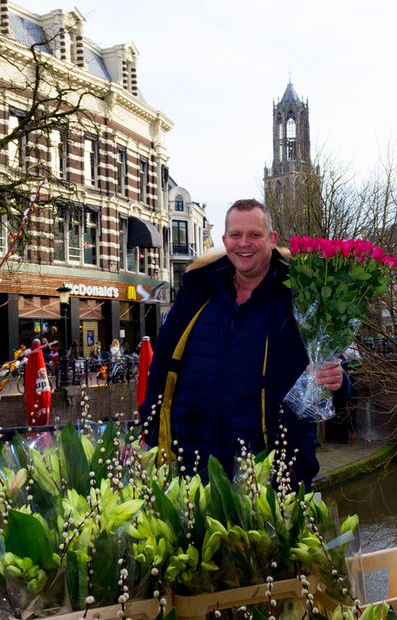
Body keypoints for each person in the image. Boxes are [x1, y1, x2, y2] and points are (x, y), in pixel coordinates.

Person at [139, 198, 349, 487]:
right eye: (236, 235)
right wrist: (153, 437)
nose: (244, 243)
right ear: (225, 240)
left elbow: (333, 378)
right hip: (191, 469)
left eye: (254, 235)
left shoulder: (301, 299)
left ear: (272, 239)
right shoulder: (196, 295)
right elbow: (161, 368)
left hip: (267, 475)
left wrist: (338, 382)